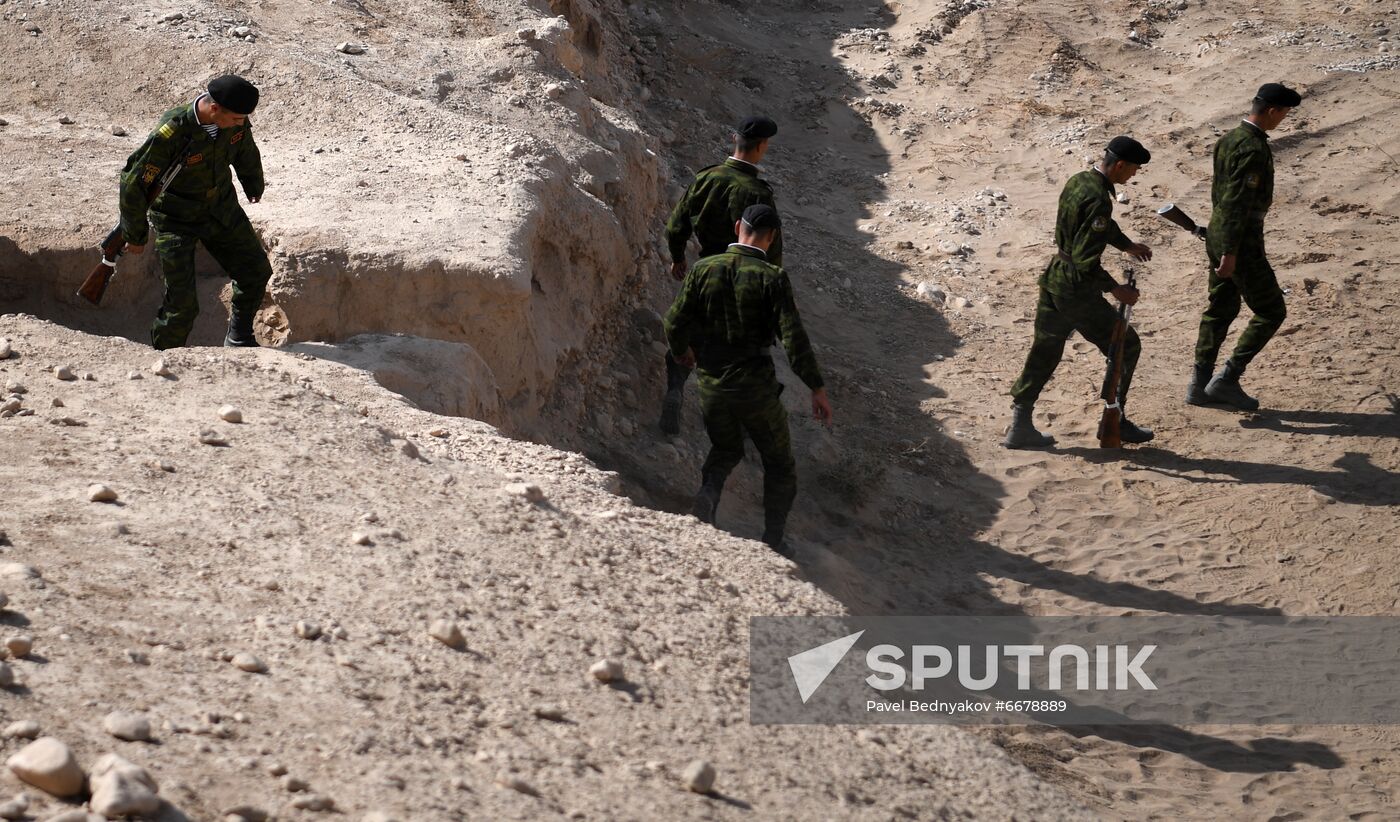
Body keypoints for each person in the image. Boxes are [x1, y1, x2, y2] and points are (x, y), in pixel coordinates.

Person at [663, 204, 830, 557]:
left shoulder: (703, 269)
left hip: (711, 382)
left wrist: (682, 353)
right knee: (779, 463)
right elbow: (794, 340)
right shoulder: (773, 278)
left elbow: (674, 322)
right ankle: (773, 541)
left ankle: (707, 497)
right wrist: (816, 387)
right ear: (771, 238)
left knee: (725, 448)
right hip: (755, 388)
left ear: (738, 226)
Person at [1004, 136, 1156, 449]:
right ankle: (1116, 418)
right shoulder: (1100, 199)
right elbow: (1087, 259)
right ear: (1119, 164)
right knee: (1126, 346)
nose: (1134, 175)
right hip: (1076, 289)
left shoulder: (1080, 181)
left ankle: (1020, 424)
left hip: (1055, 277)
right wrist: (1116, 289)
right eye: (1134, 169)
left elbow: (1093, 227)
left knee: (1045, 350)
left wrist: (1125, 244)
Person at [118, 74, 273, 349]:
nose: (242, 122)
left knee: (256, 270)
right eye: (237, 118)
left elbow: (244, 149)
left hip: (220, 208)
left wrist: (253, 185)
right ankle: (166, 359)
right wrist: (135, 233)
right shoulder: (173, 131)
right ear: (215, 109)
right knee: (182, 305)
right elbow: (133, 181)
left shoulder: (232, 120)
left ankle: (239, 337)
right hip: (176, 220)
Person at [659, 116, 784, 434]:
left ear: (734, 140)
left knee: (690, 334)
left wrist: (676, 258)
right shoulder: (758, 194)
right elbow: (771, 249)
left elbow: (676, 224)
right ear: (762, 147)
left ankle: (675, 390)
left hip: (703, 269)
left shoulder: (706, 178)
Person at [1186, 82, 1302, 410]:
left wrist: (1222, 244)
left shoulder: (1229, 139)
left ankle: (1198, 385)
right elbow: (1238, 201)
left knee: (1219, 310)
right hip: (1240, 241)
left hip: (1217, 233)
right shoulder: (1253, 149)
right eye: (1283, 113)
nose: (1283, 119)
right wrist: (1231, 253)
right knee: (1271, 311)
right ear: (1271, 111)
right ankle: (1226, 379)